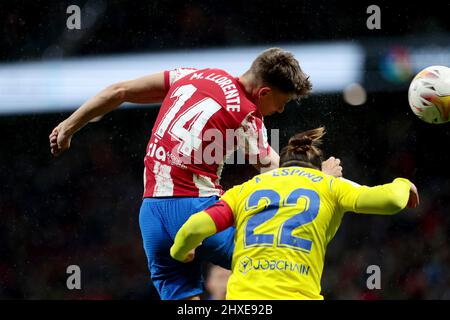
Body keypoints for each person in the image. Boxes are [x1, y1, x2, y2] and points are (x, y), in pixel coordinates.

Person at [49, 48, 342, 300]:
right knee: (277, 260)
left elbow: (119, 91)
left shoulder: (193, 74)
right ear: (263, 92)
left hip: (151, 215)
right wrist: (323, 178)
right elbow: (279, 173)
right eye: (282, 102)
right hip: (195, 208)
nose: (279, 110)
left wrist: (69, 126)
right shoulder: (245, 114)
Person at [170, 127, 420, 299]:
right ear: (316, 167)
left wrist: (181, 251)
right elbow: (391, 201)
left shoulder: (244, 190)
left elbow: (193, 228)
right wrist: (402, 184)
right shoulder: (329, 185)